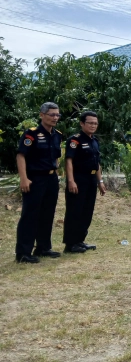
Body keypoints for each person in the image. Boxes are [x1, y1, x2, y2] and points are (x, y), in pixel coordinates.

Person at [15, 102, 64, 263]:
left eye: (57, 115)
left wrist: (56, 172)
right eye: (52, 114)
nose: (55, 118)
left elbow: (56, 156)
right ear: (42, 115)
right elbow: (21, 155)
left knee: (47, 214)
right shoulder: (32, 134)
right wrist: (23, 178)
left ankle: (43, 247)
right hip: (34, 178)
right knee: (30, 215)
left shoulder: (57, 134)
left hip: (51, 178)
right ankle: (23, 252)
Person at [63, 110, 106, 254]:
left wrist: (100, 181)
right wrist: (71, 180)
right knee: (75, 211)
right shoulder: (75, 140)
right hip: (78, 179)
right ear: (82, 123)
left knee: (87, 211)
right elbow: (68, 161)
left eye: (95, 123)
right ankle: (70, 244)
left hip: (91, 179)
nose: (93, 126)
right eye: (90, 123)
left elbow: (97, 163)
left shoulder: (94, 141)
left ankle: (79, 240)